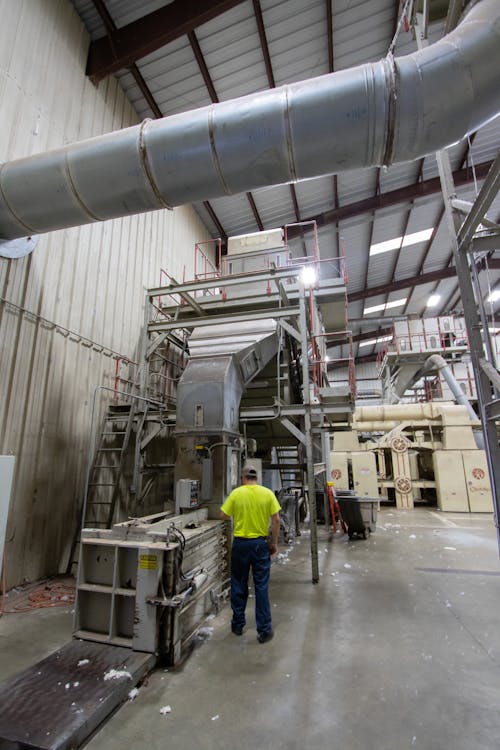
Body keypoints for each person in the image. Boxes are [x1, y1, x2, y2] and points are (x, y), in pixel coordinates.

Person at [220, 464, 281, 643]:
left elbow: (223, 514)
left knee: (239, 583)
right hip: (260, 545)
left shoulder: (237, 493)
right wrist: (274, 543)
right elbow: (276, 519)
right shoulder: (267, 493)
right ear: (257, 478)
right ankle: (264, 630)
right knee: (261, 586)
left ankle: (238, 625)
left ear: (243, 477)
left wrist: (238, 514)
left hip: (240, 544)